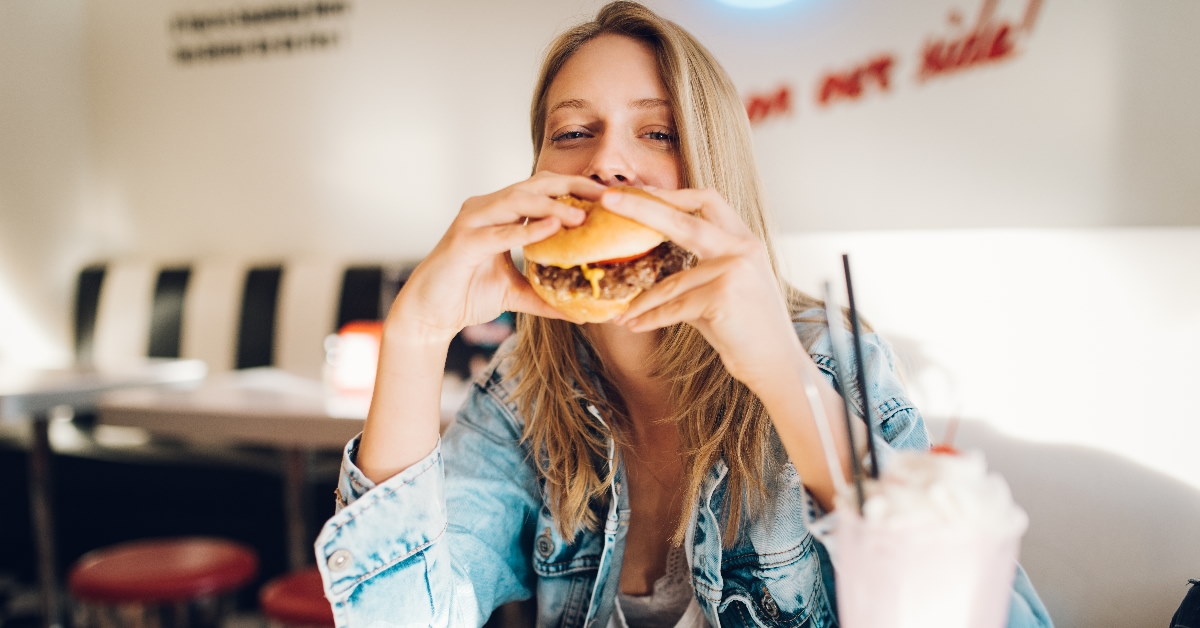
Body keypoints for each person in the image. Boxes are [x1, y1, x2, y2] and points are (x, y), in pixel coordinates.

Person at [314, 2, 1053, 626]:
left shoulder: (824, 354)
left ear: (711, 168)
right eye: (572, 132)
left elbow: (986, 611)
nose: (608, 163)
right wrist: (414, 335)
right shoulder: (521, 396)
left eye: (658, 132)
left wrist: (783, 376)